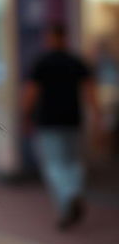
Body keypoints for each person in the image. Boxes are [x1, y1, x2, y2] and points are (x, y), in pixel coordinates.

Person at [21, 21, 103, 229]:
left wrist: (26, 115)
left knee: (53, 165)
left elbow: (31, 92)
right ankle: (74, 194)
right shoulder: (76, 61)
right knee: (74, 162)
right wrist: (97, 117)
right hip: (73, 120)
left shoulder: (42, 62)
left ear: (50, 38)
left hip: (48, 122)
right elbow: (90, 92)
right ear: (66, 37)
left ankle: (67, 201)